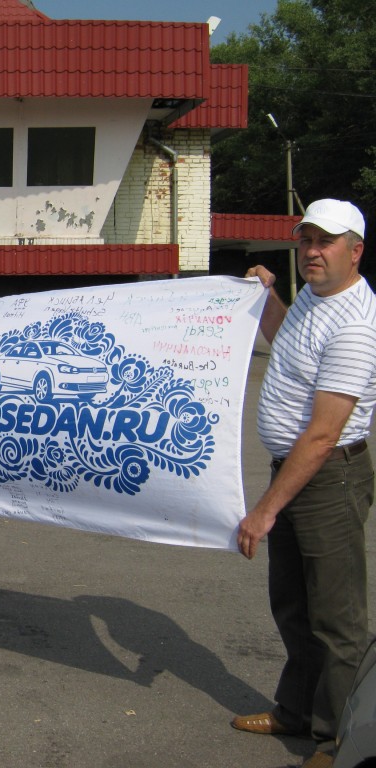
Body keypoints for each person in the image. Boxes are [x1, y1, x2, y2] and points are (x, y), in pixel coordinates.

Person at [232, 200, 376, 768]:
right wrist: (266, 298)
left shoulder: (356, 324)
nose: (312, 252)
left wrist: (263, 511)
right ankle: (295, 711)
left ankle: (336, 740)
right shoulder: (315, 299)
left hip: (327, 477)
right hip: (295, 473)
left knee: (337, 620)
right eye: (306, 240)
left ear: (355, 251)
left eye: (325, 242)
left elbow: (321, 435)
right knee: (292, 604)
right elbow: (286, 343)